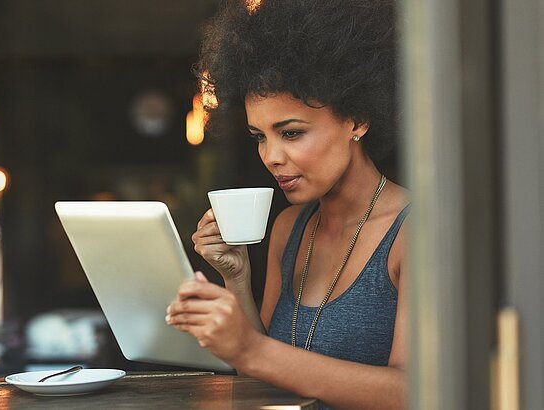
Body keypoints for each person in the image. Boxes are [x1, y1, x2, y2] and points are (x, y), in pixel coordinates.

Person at [165, 1, 408, 409]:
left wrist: (248, 350)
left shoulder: (414, 232)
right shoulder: (290, 227)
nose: (271, 156)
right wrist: (237, 277)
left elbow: (414, 392)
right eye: (259, 136)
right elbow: (262, 376)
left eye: (291, 133)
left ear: (357, 120)